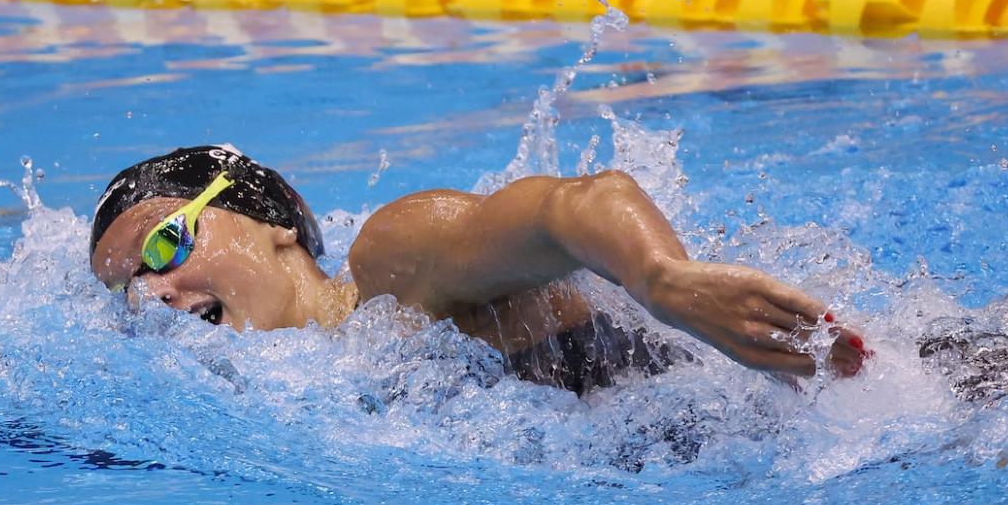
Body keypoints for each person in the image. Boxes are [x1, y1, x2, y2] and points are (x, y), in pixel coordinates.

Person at [90, 145, 869, 395]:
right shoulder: (324, 387)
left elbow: (576, 207)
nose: (155, 293)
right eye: (132, 292)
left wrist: (663, 278)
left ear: (274, 227)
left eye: (166, 247)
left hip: (863, 396)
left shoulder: (394, 266)